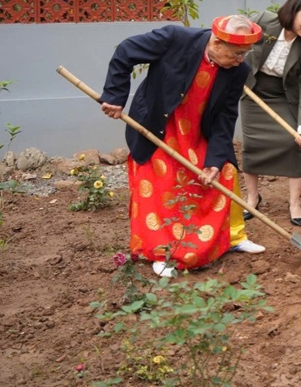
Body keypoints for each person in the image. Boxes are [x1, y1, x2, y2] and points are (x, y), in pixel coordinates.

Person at [99, 15, 266, 278]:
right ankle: (161, 251)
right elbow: (125, 51)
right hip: (158, 126)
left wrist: (213, 161)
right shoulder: (175, 39)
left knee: (224, 173)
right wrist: (115, 95)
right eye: (236, 53)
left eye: (244, 54)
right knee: (162, 181)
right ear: (217, 43)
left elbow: (225, 117)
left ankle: (227, 240)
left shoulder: (238, 71)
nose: (240, 60)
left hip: (198, 131)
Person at [240, 0, 301, 227]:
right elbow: (239, 40)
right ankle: (253, 197)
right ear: (293, 10)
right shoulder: (264, 22)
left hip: (284, 97)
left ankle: (294, 203)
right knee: (252, 145)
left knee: (292, 143)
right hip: (253, 93)